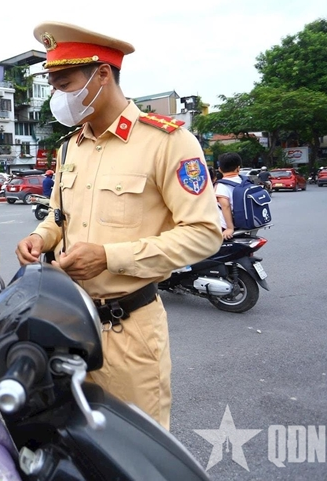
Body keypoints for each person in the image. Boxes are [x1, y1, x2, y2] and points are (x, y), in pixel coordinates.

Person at [15, 22, 222, 430]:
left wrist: (109, 257)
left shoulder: (167, 142)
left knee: (136, 454)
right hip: (69, 324)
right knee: (75, 447)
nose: (58, 96)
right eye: (53, 85)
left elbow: (204, 232)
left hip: (130, 331)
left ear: (102, 75)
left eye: (65, 82)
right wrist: (40, 237)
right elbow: (58, 215)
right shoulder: (70, 146)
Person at [215, 152, 243, 240]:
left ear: (220, 169)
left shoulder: (221, 186)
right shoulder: (243, 181)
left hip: (224, 225)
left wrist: (229, 228)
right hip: (241, 221)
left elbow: (225, 206)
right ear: (238, 168)